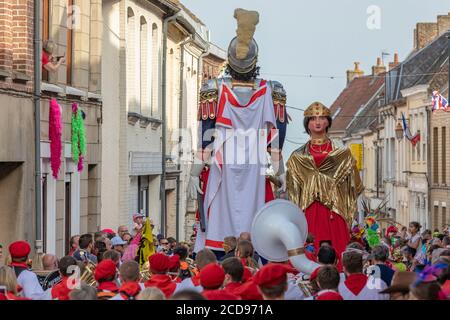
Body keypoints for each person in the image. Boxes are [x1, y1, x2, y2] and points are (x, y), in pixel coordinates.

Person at [188, 9, 288, 256]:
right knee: (255, 220)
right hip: (254, 170)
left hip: (225, 169)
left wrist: (194, 171)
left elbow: (206, 137)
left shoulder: (214, 89)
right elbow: (275, 144)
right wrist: (280, 171)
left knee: (221, 221)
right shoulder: (272, 90)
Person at [286, 102, 363, 270]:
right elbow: (292, 190)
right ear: (307, 123)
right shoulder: (297, 157)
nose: (318, 122)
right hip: (308, 209)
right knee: (309, 250)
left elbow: (354, 185)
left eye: (321, 117)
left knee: (338, 246)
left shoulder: (342, 154)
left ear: (328, 121)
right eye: (313, 118)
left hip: (336, 211)